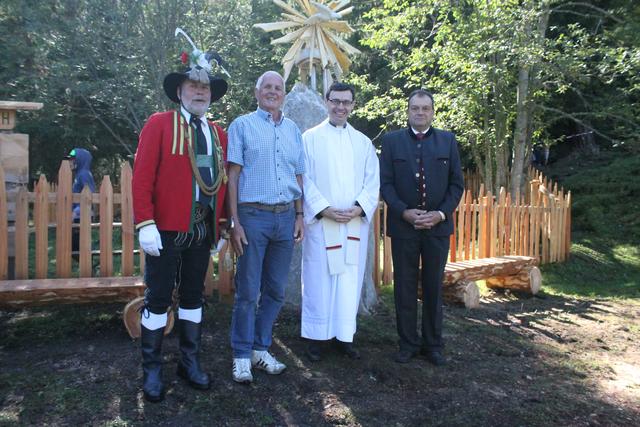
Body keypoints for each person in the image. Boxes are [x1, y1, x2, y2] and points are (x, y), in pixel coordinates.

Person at [132, 40, 228, 402]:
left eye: (205, 88)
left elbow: (222, 183)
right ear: (180, 91)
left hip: (202, 230)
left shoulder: (219, 134)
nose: (200, 93)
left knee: (193, 297)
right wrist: (145, 223)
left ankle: (189, 363)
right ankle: (152, 370)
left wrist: (222, 225)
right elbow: (142, 178)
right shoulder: (159, 124)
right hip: (166, 229)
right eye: (193, 87)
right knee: (157, 299)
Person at [227, 70, 304, 384]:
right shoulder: (242, 126)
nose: (273, 91)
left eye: (278, 88)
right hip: (253, 217)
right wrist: (234, 222)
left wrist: (300, 215)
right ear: (257, 92)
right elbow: (232, 176)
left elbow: (299, 175)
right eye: (267, 87)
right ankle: (242, 355)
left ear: (283, 94)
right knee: (248, 291)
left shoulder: (293, 130)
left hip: (286, 217)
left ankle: (261, 348)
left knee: (275, 290)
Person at [380, 89, 464, 366]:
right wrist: (404, 212)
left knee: (432, 287)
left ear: (432, 111)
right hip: (404, 227)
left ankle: (433, 345)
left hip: (437, 229)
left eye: (425, 108)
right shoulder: (391, 142)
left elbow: (456, 185)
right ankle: (407, 343)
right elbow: (385, 184)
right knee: (403, 287)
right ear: (408, 111)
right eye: (415, 108)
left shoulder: (448, 141)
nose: (420, 112)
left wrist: (440, 214)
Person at [300, 82, 379, 361]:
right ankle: (316, 337)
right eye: (336, 101)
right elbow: (304, 178)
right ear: (326, 101)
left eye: (346, 102)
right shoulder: (309, 138)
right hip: (323, 223)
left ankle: (344, 335)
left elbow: (372, 182)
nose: (340, 107)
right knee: (319, 279)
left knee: (348, 280)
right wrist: (323, 209)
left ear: (353, 105)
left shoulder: (363, 143)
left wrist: (358, 209)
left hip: (352, 225)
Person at [66, 148, 96, 258]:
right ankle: (90, 266)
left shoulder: (84, 174)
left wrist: (76, 212)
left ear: (80, 160)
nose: (70, 162)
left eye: (73, 160)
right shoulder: (79, 175)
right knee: (75, 245)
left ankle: (91, 266)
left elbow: (89, 195)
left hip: (83, 215)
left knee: (78, 245)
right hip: (79, 216)